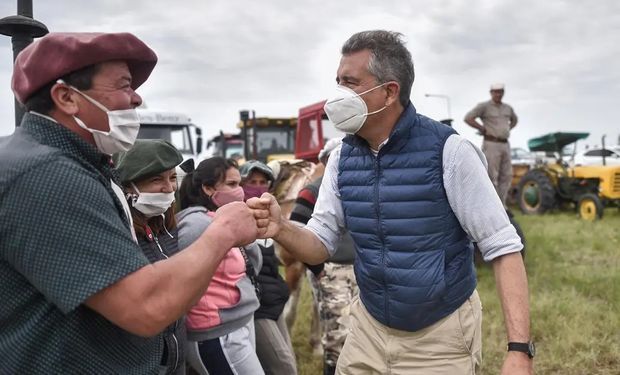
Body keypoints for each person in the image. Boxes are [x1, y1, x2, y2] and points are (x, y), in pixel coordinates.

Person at [248, 30, 533, 374]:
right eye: (337, 82)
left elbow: (502, 247)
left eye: (350, 83)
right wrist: (281, 227)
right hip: (368, 328)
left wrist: (519, 350)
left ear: (389, 91)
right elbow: (320, 244)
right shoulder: (341, 159)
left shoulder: (450, 152)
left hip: (439, 336)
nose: (338, 94)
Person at [0, 32, 260, 374]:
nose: (136, 99)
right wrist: (222, 231)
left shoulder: (77, 163)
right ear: (67, 97)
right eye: (124, 85)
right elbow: (145, 307)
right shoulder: (48, 174)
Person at [177, 157, 264, 375]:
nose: (240, 191)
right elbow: (178, 276)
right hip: (216, 333)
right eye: (232, 185)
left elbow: (251, 264)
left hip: (238, 322)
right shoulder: (196, 224)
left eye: (239, 184)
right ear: (207, 188)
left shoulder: (223, 218)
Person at [114, 139, 187, 374]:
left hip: (176, 356)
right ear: (128, 185)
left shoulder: (163, 227)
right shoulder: (120, 234)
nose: (169, 188)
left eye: (172, 178)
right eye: (157, 179)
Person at [289, 138, 358, 375]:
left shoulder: (358, 187)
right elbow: (295, 232)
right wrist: (319, 270)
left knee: (359, 334)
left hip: (361, 270)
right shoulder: (312, 191)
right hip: (331, 270)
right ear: (327, 160)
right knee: (337, 336)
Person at [239, 160, 298, 375]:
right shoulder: (237, 219)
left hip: (274, 302)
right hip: (257, 309)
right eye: (252, 181)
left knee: (288, 362)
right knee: (284, 367)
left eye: (263, 182)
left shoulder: (272, 220)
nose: (258, 186)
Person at [464, 83, 519, 207]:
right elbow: (468, 118)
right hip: (491, 144)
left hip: (505, 144)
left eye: (500, 91)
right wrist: (482, 128)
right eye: (495, 92)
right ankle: (491, 206)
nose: (498, 94)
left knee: (507, 175)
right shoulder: (484, 106)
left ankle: (502, 205)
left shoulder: (507, 108)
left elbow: (514, 120)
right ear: (491, 93)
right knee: (491, 175)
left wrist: (507, 129)